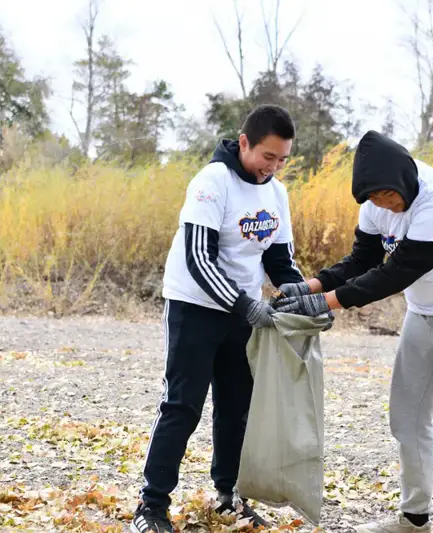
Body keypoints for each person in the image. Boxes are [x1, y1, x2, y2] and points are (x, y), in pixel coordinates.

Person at [273, 130, 433, 533]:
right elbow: (362, 260)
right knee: (407, 417)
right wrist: (311, 286)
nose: (385, 205)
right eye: (375, 199)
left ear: (404, 177)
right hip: (424, 311)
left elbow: (397, 273)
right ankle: (414, 518)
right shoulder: (374, 206)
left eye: (388, 195)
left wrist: (327, 302)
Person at [132, 105, 305, 533]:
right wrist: (246, 305)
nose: (274, 167)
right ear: (244, 142)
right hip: (195, 307)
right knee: (182, 405)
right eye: (268, 157)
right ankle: (151, 507)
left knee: (237, 409)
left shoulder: (275, 192)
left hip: (243, 312)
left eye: (283, 159)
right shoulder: (212, 182)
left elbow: (280, 260)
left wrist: (303, 299)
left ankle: (228, 497)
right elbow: (198, 258)